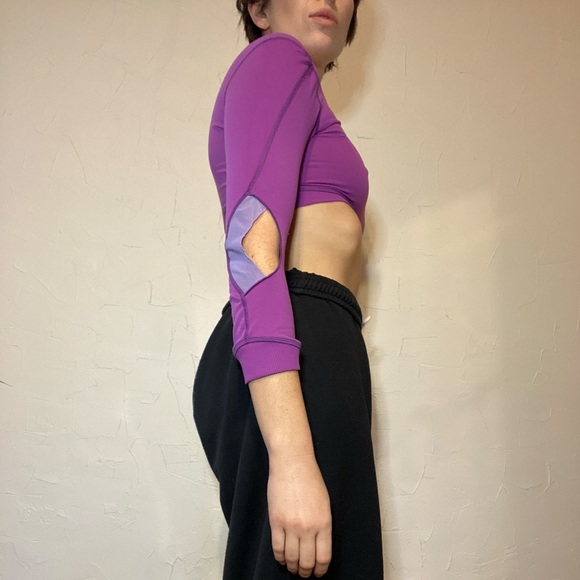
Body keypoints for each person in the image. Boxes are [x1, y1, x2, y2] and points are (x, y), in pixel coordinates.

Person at [193, 1, 383, 578]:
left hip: (314, 345)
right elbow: (251, 246)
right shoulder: (279, 57)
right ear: (259, 8)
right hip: (296, 351)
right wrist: (293, 456)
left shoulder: (296, 85)